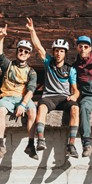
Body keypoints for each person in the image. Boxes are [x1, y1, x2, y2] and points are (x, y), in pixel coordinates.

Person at [26, 17, 80, 159]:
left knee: (75, 108)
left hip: (64, 98)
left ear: (65, 53)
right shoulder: (49, 63)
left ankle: (71, 145)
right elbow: (38, 47)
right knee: (41, 108)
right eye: (56, 51)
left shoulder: (70, 69)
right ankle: (41, 140)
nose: (58, 53)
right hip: (49, 97)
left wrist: (74, 96)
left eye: (61, 51)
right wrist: (32, 31)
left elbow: (76, 90)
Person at [0, 23, 37, 160]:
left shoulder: (31, 71)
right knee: (0, 111)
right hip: (7, 97)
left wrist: (23, 104)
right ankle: (1, 145)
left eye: (26, 51)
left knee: (33, 110)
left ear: (29, 54)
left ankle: (31, 145)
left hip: (22, 98)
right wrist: (1, 37)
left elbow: (31, 90)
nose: (22, 53)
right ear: (17, 51)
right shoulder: (9, 65)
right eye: (20, 50)